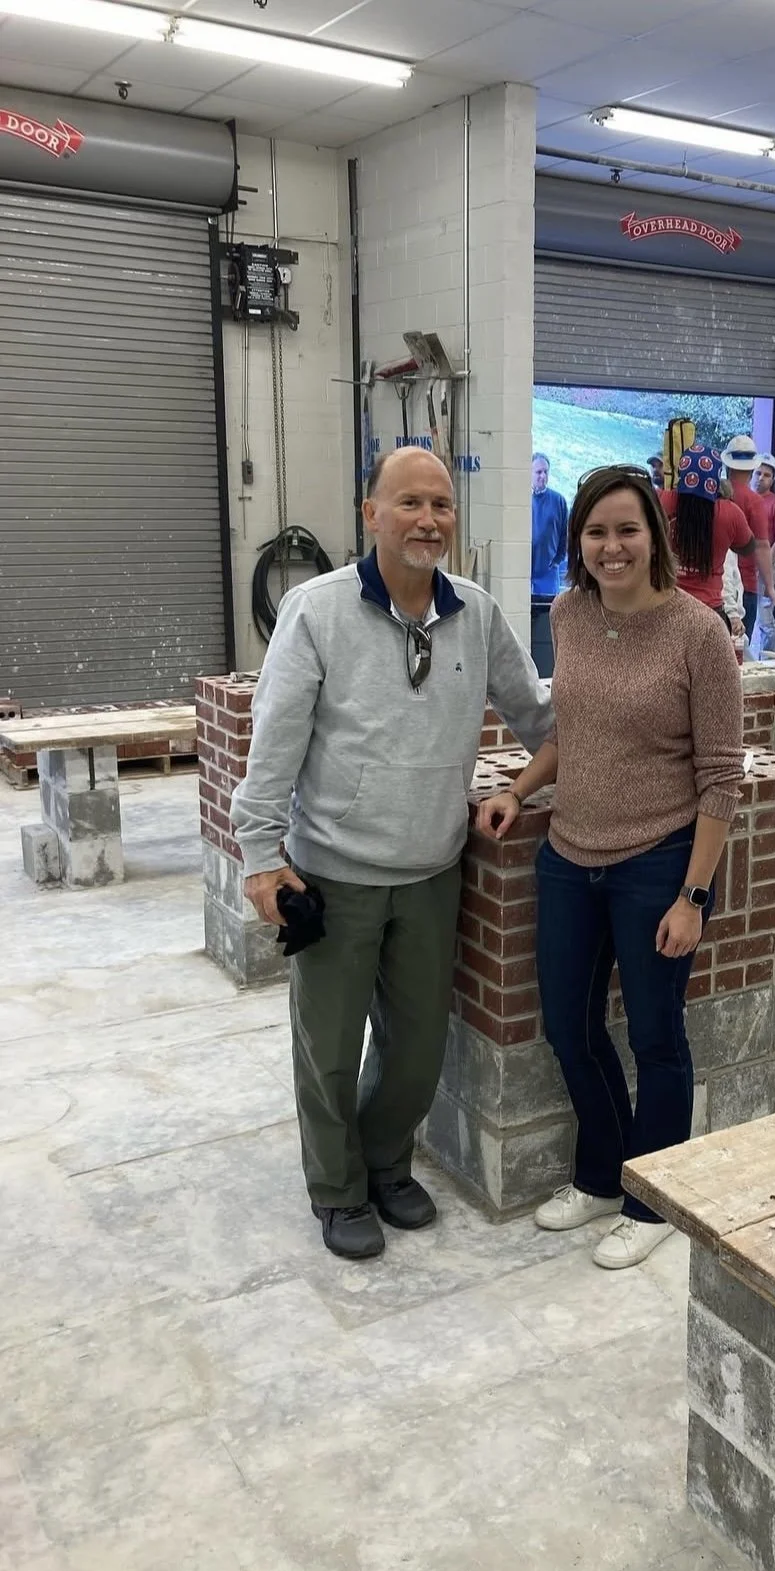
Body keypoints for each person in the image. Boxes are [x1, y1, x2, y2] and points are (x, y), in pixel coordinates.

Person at [231, 447, 553, 1261]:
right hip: (332, 873)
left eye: (441, 505)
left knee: (415, 1054)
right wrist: (261, 853)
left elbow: (537, 716)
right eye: (408, 502)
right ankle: (338, 1188)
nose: (428, 519)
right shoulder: (316, 611)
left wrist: (617, 751)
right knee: (329, 1051)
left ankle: (385, 1160)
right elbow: (274, 743)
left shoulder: (476, 614)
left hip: (432, 870)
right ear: (370, 514)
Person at [475, 464, 744, 1271]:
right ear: (578, 541)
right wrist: (519, 791)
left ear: (653, 535)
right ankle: (599, 1173)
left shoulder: (699, 634)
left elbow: (721, 777)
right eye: (596, 532)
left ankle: (652, 1198)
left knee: (658, 1037)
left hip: (658, 861)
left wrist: (693, 894)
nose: (611, 546)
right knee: (569, 1025)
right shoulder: (569, 613)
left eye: (627, 529)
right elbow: (571, 732)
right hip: (569, 856)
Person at [657, 444, 772, 627]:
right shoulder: (729, 512)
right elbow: (747, 546)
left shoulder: (663, 500)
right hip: (709, 612)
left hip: (667, 609)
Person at [722, 436, 775, 636]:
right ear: (752, 467)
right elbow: (762, 547)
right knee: (738, 653)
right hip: (743, 588)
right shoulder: (753, 502)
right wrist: (770, 586)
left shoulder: (714, 495)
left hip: (714, 588)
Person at [531, 452, 568, 598]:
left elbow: (564, 536)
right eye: (538, 472)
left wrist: (556, 561)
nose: (543, 476)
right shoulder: (520, 502)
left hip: (548, 574)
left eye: (546, 472)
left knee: (548, 615)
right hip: (524, 573)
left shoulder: (558, 501)